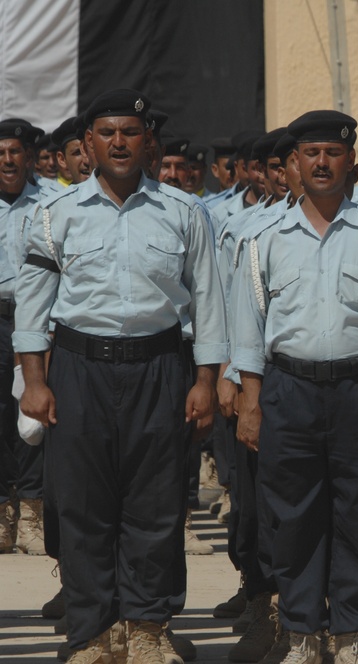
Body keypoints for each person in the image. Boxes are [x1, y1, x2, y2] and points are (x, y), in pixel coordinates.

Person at [15, 88, 227, 664]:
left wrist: (206, 382)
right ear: (86, 144)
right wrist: (34, 381)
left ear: (147, 141)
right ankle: (92, 632)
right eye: (106, 132)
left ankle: (147, 627)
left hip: (161, 368)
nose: (118, 142)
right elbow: (33, 309)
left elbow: (208, 305)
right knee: (82, 507)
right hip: (79, 370)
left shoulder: (185, 213)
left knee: (155, 505)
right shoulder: (54, 216)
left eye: (129, 132)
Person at [231, 109, 358, 664]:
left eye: (332, 152)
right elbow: (249, 328)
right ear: (292, 166)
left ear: (351, 163)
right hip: (289, 388)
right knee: (292, 517)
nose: (321, 162)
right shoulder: (266, 237)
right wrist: (249, 401)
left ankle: (351, 633)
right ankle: (303, 633)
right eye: (309, 153)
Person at [0, 119, 48, 555]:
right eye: (1, 154)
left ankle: (32, 510)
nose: (8, 160)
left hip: (35, 319)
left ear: (28, 157)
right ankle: (2, 512)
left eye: (15, 152)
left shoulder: (51, 202)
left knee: (33, 412)